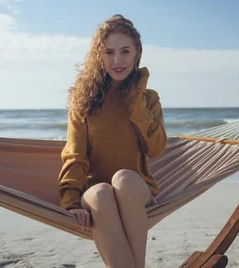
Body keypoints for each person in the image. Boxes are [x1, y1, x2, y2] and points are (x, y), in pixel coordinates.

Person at [57, 14, 167, 268]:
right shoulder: (84, 100)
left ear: (137, 53)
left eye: (125, 51)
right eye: (109, 52)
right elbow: (75, 154)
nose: (117, 60)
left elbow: (157, 148)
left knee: (124, 179)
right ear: (99, 56)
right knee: (103, 192)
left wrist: (136, 99)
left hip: (136, 192)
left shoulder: (149, 98)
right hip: (96, 193)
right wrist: (72, 202)